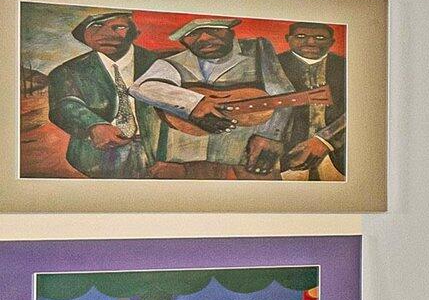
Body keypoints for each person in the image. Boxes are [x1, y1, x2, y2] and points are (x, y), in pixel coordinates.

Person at [39, 10, 197, 178]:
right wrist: (93, 125)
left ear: (134, 32)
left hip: (160, 154)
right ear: (84, 36)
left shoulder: (160, 63)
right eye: (96, 26)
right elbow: (65, 105)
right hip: (95, 158)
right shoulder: (68, 71)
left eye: (118, 26)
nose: (106, 34)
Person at [149, 18, 291, 177]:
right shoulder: (169, 62)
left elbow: (283, 94)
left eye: (214, 29)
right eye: (193, 33)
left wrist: (270, 135)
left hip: (246, 158)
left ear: (231, 31)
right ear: (182, 39)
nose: (204, 38)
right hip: (182, 160)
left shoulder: (256, 49)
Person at [272, 20, 344, 179]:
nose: (311, 42)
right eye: (301, 36)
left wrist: (325, 141)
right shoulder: (272, 65)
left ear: (332, 42)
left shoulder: (345, 66)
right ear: (287, 38)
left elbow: (361, 110)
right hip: (286, 157)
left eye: (319, 37)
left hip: (339, 157)